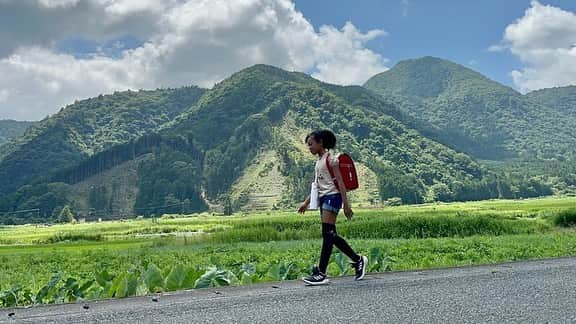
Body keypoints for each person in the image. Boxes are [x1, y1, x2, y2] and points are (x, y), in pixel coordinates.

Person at [298, 130, 367, 285]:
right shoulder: (319, 162)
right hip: (323, 199)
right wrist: (306, 202)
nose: (309, 148)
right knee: (330, 235)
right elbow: (317, 186)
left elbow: (341, 183)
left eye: (311, 144)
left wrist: (346, 205)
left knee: (328, 234)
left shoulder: (331, 160)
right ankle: (358, 260)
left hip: (332, 197)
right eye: (308, 145)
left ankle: (321, 273)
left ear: (320, 142)